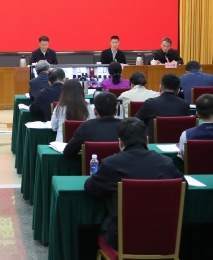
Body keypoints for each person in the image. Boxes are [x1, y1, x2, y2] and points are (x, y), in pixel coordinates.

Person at [84, 117, 184, 249]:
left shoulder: (111, 164)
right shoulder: (165, 162)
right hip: (163, 238)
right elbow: (183, 186)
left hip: (121, 239)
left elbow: (90, 188)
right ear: (147, 140)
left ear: (120, 142)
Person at [134, 73, 190, 143]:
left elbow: (135, 122)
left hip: (153, 146)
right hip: (178, 146)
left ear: (160, 88)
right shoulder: (185, 105)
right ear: (178, 90)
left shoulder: (150, 103)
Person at [63, 92, 120, 158]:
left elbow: (68, 152)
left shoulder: (86, 126)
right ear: (116, 111)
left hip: (93, 164)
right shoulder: (126, 126)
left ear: (95, 111)